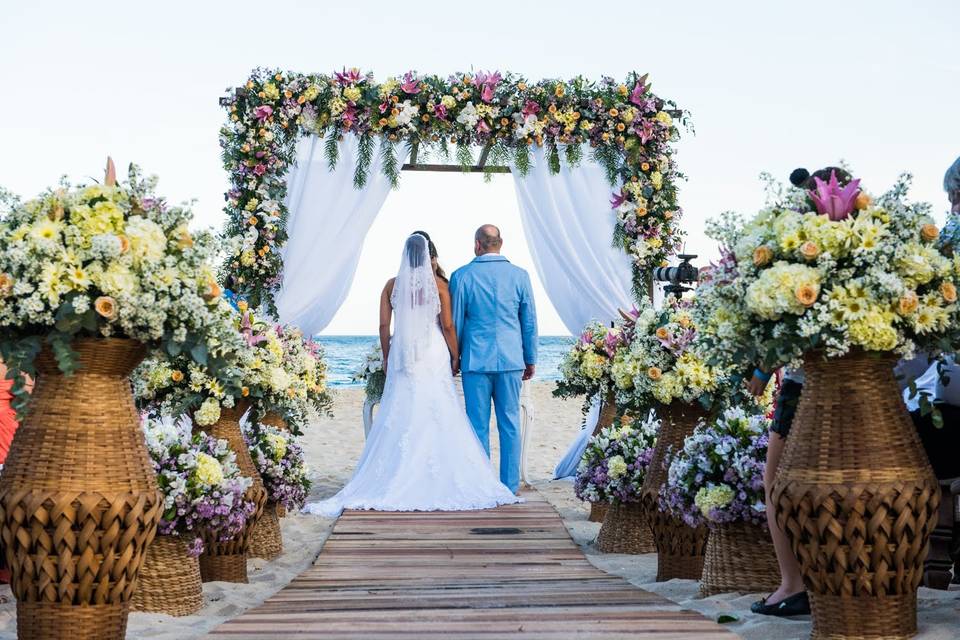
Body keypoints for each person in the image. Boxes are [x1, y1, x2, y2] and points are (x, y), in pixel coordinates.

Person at [304, 233, 520, 517]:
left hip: (402, 356)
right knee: (438, 408)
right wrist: (456, 355)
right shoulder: (440, 285)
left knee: (401, 408)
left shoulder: (391, 286)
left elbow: (384, 326)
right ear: (430, 256)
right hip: (432, 353)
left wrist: (386, 355)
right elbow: (447, 326)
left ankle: (397, 471)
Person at [450, 225, 538, 494]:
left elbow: (456, 322)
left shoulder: (462, 276)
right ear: (501, 243)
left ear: (478, 245)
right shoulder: (520, 276)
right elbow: (529, 321)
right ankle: (509, 486)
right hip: (512, 359)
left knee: (477, 425)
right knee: (510, 422)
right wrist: (530, 357)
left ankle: (482, 485)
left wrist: (455, 357)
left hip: (476, 360)